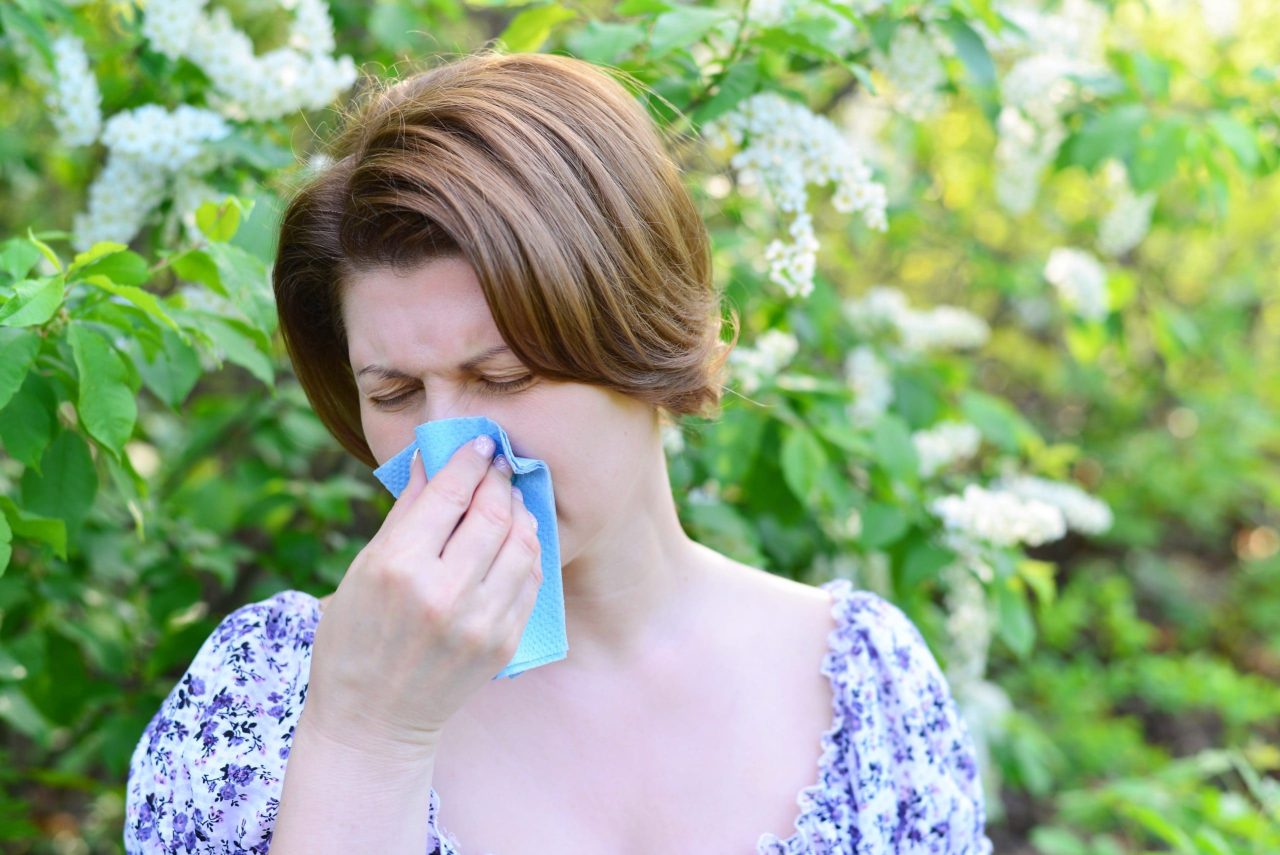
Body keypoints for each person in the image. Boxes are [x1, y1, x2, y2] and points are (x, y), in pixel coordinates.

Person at [123, 48, 992, 854]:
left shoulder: (867, 684)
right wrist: (366, 736)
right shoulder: (264, 698)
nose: (448, 447)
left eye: (504, 376)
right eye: (393, 393)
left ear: (647, 341)